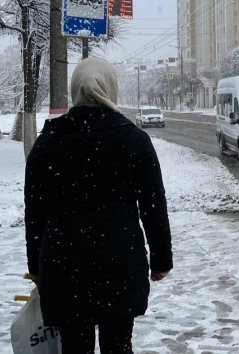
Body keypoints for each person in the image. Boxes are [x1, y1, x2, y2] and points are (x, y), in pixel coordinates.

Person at [25, 57, 172, 354]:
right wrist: (160, 260)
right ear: (110, 87)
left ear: (74, 90)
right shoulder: (134, 140)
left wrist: (36, 268)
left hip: (64, 268)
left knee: (74, 347)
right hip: (120, 264)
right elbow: (153, 206)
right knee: (118, 344)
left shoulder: (49, 142)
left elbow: (35, 214)